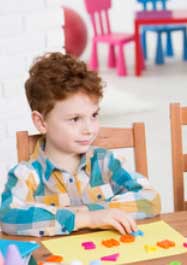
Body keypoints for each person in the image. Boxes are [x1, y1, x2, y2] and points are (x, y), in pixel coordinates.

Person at [0, 52, 161, 237]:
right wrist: (87, 218)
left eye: (94, 115)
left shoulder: (105, 162)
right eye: (75, 119)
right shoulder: (27, 174)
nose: (89, 129)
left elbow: (150, 198)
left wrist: (93, 211)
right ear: (41, 122)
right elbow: (8, 216)